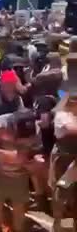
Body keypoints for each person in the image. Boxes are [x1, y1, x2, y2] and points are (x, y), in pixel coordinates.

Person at [0, 109, 42, 232]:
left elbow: (37, 152)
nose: (22, 140)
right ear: (12, 125)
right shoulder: (0, 123)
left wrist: (32, 162)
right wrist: (6, 155)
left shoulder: (36, 130)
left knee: (19, 212)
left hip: (20, 176)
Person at [50, 91, 77, 232]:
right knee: (61, 191)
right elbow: (72, 129)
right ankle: (57, 223)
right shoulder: (62, 115)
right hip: (64, 157)